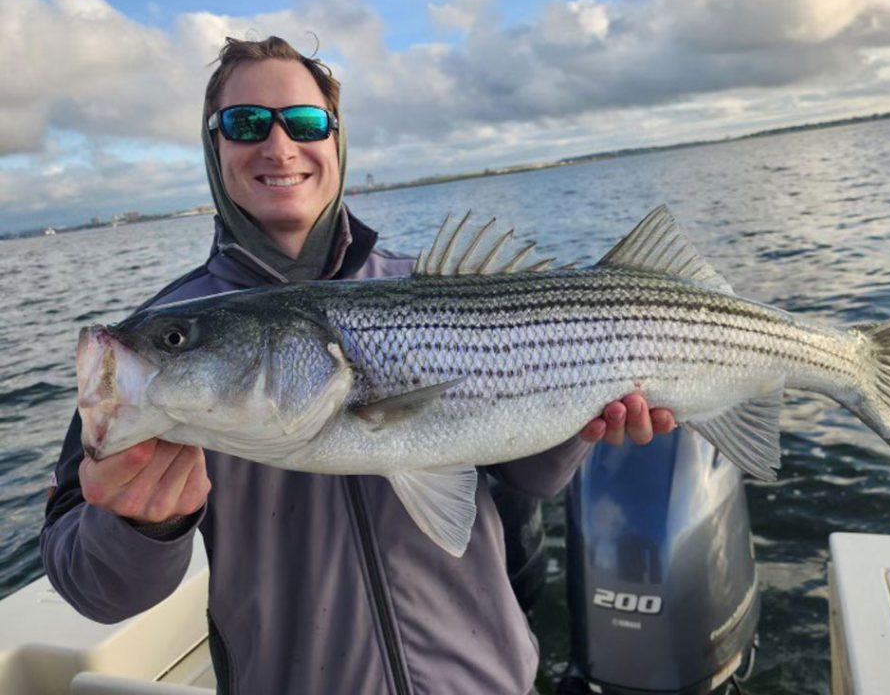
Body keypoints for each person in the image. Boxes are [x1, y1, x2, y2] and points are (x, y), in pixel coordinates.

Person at [41, 36, 676, 695]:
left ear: (336, 141)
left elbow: (530, 476)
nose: (279, 146)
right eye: (247, 123)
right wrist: (143, 525)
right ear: (215, 146)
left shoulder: (428, 285)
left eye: (306, 122)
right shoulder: (161, 337)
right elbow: (94, 590)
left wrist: (581, 420)